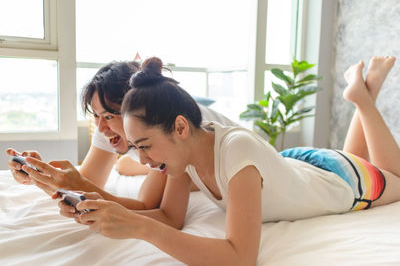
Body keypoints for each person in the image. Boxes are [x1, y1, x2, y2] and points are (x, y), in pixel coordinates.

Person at [41, 56, 400, 265]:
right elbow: (170, 217)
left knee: (395, 178)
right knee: (359, 161)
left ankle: (363, 100)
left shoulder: (235, 150)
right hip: (300, 164)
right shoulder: (186, 155)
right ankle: (361, 96)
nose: (145, 160)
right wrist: (100, 209)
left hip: (336, 178)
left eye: (146, 146)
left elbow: (240, 257)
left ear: (179, 126)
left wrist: (139, 228)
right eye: (138, 148)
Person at [6, 60, 237, 211]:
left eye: (107, 116)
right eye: (96, 116)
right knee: (125, 165)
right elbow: (88, 183)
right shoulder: (108, 127)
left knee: (129, 166)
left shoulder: (168, 127)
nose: (100, 128)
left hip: (230, 163)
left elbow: (148, 205)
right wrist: (41, 175)